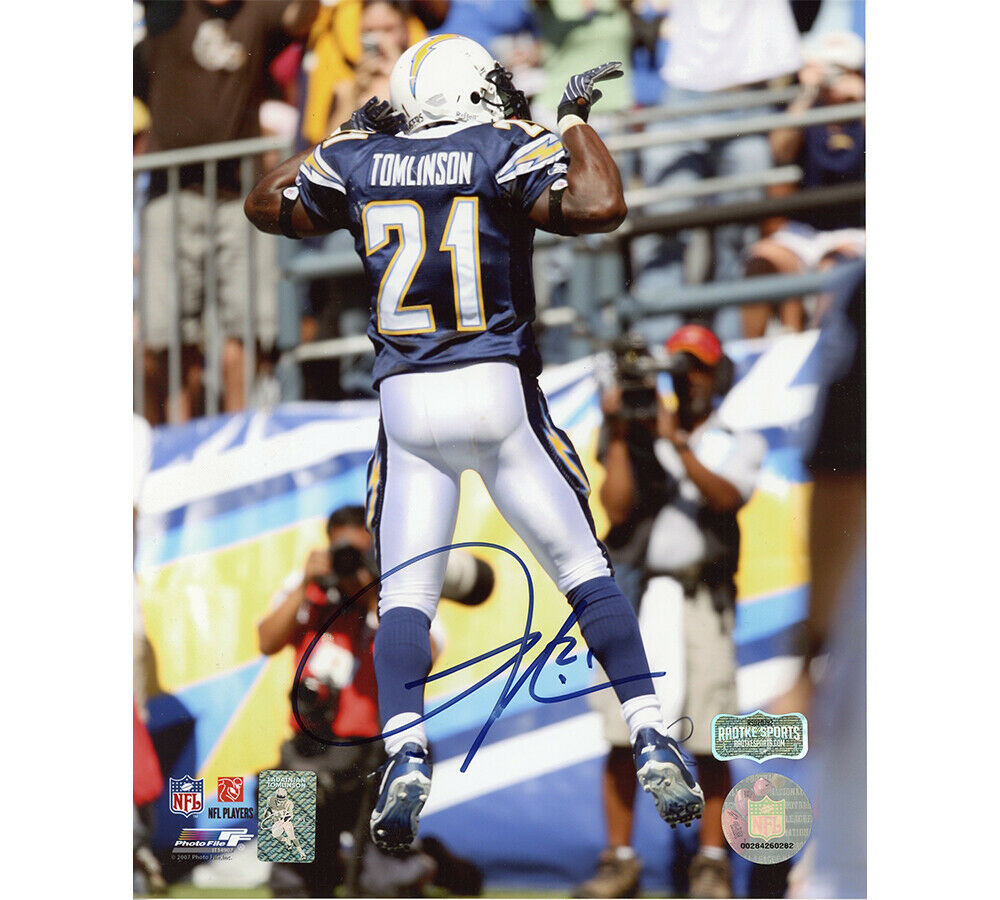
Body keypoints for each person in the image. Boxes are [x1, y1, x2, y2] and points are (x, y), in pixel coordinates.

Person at [245, 33, 704, 853]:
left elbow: (262, 202)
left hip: (406, 405)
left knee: (405, 597)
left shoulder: (362, 160)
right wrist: (572, 122)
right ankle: (648, 727)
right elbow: (601, 205)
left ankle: (404, 749)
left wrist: (344, 137)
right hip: (494, 391)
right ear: (467, 90)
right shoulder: (500, 143)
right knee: (584, 573)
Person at [592, 324, 766, 898]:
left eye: (698, 367)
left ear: (717, 376)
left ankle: (711, 862)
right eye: (679, 366)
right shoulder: (639, 430)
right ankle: (619, 860)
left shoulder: (736, 438)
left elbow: (726, 497)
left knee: (712, 733)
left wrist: (679, 446)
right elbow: (616, 506)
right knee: (623, 733)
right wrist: (623, 431)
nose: (688, 377)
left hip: (700, 598)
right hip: (638, 599)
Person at [258, 504, 487, 896]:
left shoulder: (397, 594)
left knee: (384, 886)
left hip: (374, 756)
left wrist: (374, 597)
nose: (349, 563)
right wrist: (304, 585)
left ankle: (428, 862)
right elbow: (266, 641)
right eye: (341, 552)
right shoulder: (309, 589)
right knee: (290, 882)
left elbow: (427, 654)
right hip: (309, 751)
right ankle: (327, 864)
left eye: (359, 552)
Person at [134, 0, 319, 420]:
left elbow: (301, 16)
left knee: (248, 328)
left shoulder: (256, 9)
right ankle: (180, 442)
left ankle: (239, 438)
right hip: (170, 192)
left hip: (240, 197)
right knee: (169, 338)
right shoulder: (167, 9)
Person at [629, 0, 801, 344]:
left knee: (739, 237)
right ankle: (657, 349)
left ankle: (728, 348)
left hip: (747, 99)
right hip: (680, 99)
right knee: (663, 229)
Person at [741, 31, 865, 338]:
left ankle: (820, 352)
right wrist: (807, 92)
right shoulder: (807, 110)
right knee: (762, 261)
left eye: (842, 70)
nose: (834, 79)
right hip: (803, 231)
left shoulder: (865, 114)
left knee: (836, 268)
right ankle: (758, 354)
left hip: (854, 231)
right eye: (829, 69)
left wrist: (863, 101)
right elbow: (780, 150)